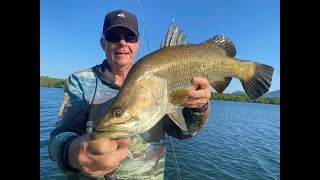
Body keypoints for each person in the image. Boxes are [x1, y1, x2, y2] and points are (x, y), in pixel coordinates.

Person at [49, 9, 211, 179]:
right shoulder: (80, 81)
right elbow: (58, 139)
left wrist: (199, 108)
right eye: (113, 36)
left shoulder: (157, 80)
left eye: (130, 37)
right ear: (103, 43)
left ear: (137, 44)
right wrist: (73, 153)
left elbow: (183, 132)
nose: (122, 42)